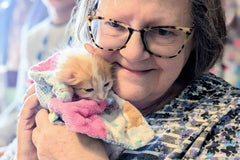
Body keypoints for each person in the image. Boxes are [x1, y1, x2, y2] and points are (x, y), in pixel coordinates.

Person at [15, 0, 240, 159]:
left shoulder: (228, 122)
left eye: (162, 31)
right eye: (114, 24)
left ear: (197, 39)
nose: (133, 53)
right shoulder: (64, 94)